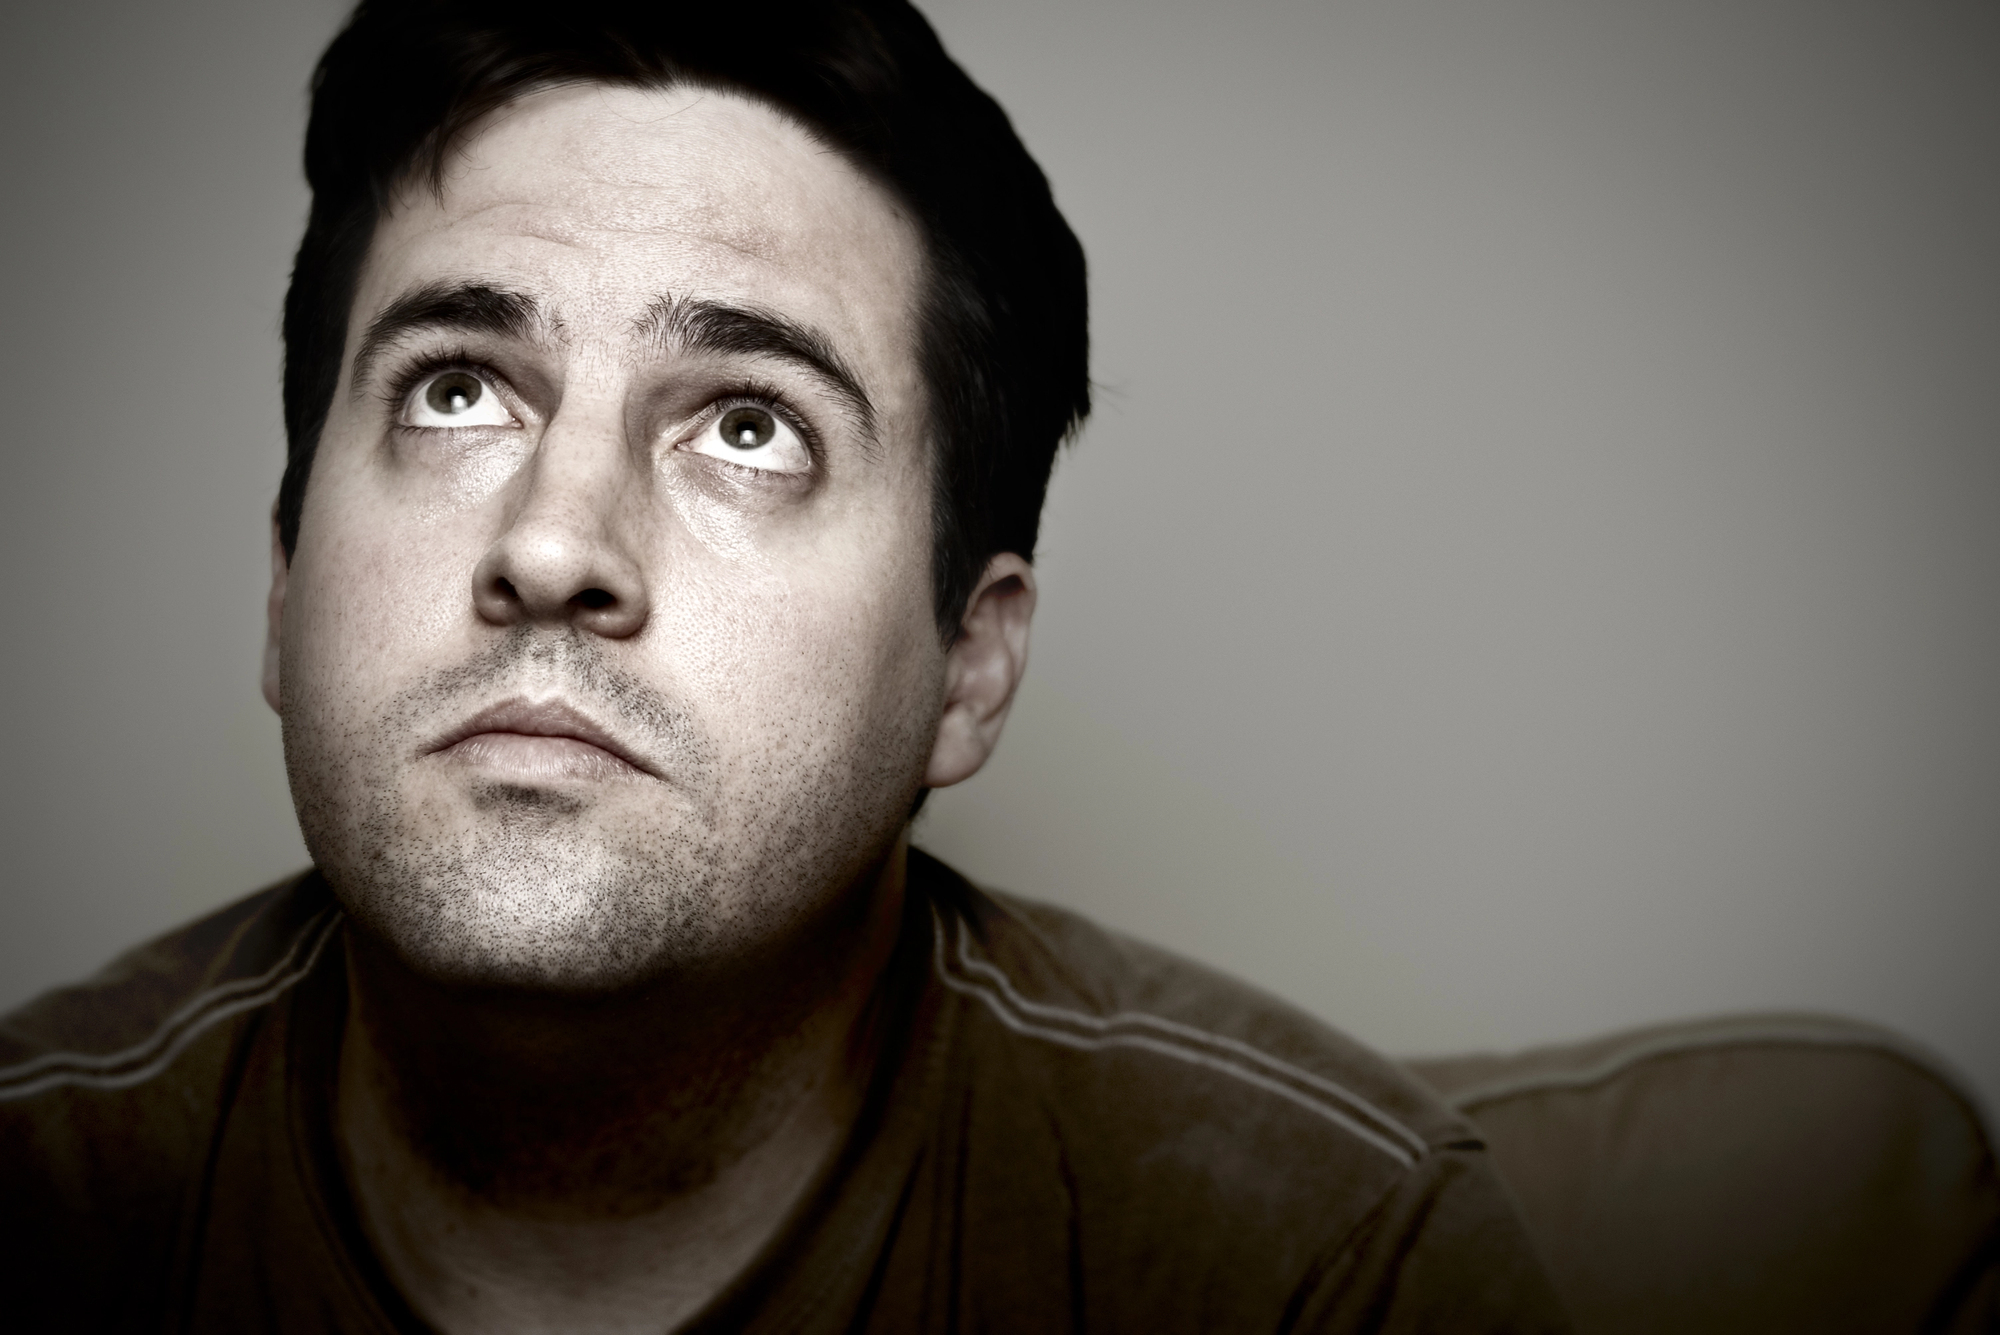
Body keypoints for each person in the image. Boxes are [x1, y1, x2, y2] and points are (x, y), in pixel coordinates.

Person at [0, 2, 1572, 1330]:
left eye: (750, 426)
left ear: (968, 667)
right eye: (459, 391)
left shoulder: (1328, 1272)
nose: (553, 547)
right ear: (284, 587)